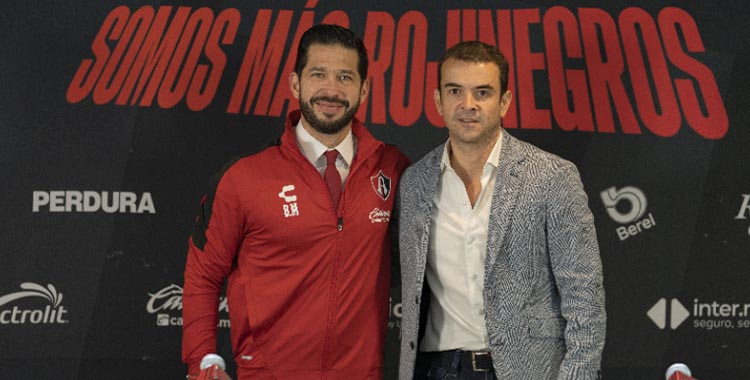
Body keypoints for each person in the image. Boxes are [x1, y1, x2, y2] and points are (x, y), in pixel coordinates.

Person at [182, 24, 410, 380]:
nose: (331, 90)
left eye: (345, 77)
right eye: (318, 74)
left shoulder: (395, 169)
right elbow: (203, 275)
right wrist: (202, 363)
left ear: (364, 89)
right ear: (295, 83)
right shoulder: (245, 177)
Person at [397, 41, 606, 380]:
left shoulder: (553, 176)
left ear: (504, 101)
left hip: (529, 370)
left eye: (482, 92)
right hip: (436, 369)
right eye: (455, 91)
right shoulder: (415, 182)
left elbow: (584, 293)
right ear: (438, 100)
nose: (468, 105)